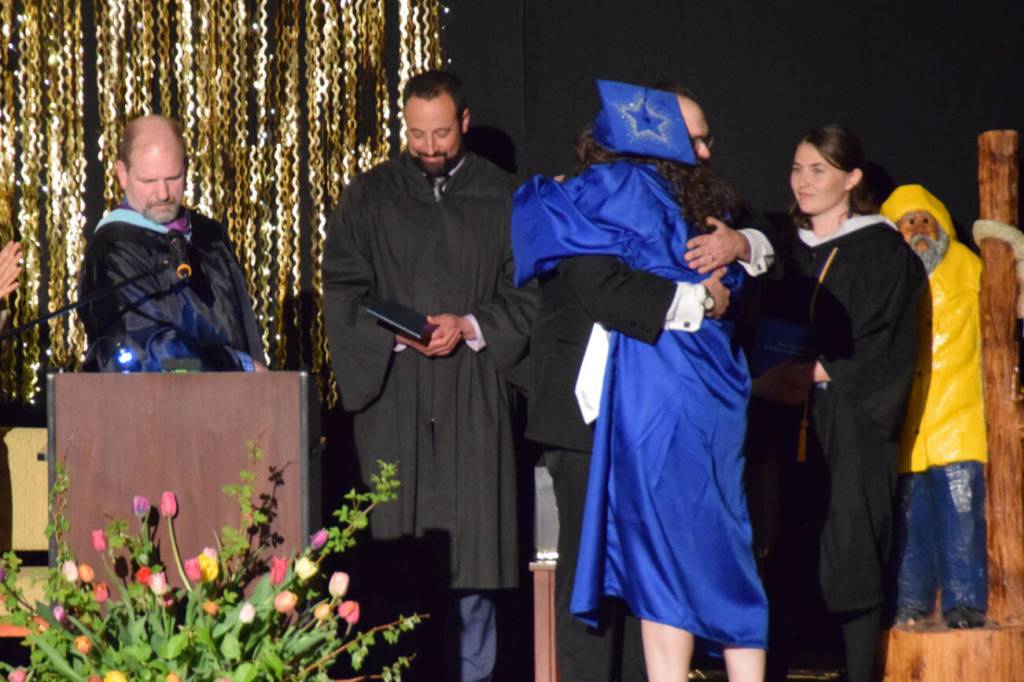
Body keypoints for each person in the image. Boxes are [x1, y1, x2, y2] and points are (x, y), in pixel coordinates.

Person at [512, 80, 768, 682]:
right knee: (592, 578)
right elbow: (604, 289)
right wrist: (700, 300)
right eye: (696, 141)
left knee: (652, 568)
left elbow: (757, 246)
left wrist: (743, 245)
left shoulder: (681, 199)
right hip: (592, 416)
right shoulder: (589, 200)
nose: (706, 153)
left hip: (664, 411)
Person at [321, 70, 535, 681]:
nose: (431, 147)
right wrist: (393, 333)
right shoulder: (369, 196)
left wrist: (469, 325)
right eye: (417, 134)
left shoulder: (505, 197)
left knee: (475, 568)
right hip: (396, 400)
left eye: (442, 133)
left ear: (464, 122)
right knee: (396, 564)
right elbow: (343, 287)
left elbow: (529, 294)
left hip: (474, 396)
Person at [750, 126, 926, 682]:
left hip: (849, 424)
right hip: (781, 423)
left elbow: (887, 340)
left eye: (818, 170)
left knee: (850, 554)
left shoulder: (882, 252)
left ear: (852, 179)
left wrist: (818, 370)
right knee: (781, 555)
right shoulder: (780, 250)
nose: (804, 181)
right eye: (798, 168)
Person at [880, 184, 988, 630]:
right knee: (910, 523)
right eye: (910, 221)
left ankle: (965, 602)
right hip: (907, 423)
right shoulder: (887, 274)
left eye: (927, 220)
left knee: (962, 516)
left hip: (960, 417)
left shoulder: (969, 267)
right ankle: (911, 602)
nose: (920, 229)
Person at [78, 115, 264, 372]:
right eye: (149, 181)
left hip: (235, 401)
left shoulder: (207, 235)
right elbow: (144, 347)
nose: (163, 193)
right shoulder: (112, 250)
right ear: (123, 174)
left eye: (173, 177)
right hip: (156, 406)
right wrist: (237, 364)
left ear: (187, 167)